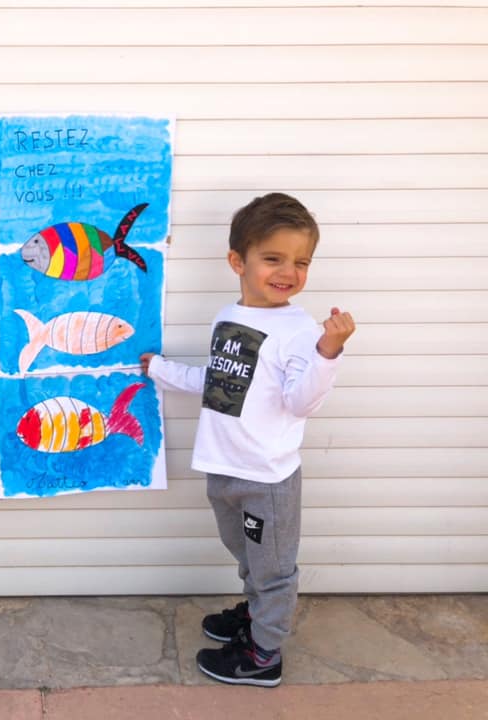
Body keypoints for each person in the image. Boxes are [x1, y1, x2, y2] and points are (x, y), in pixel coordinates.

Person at [140, 192, 355, 687]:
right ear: (238, 261)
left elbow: (301, 402)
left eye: (301, 262)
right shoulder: (229, 317)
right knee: (247, 554)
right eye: (273, 258)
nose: (289, 272)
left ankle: (264, 654)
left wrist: (328, 352)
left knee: (273, 567)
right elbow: (221, 384)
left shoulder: (300, 331)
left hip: (266, 479)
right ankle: (258, 613)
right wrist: (163, 371)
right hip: (224, 467)